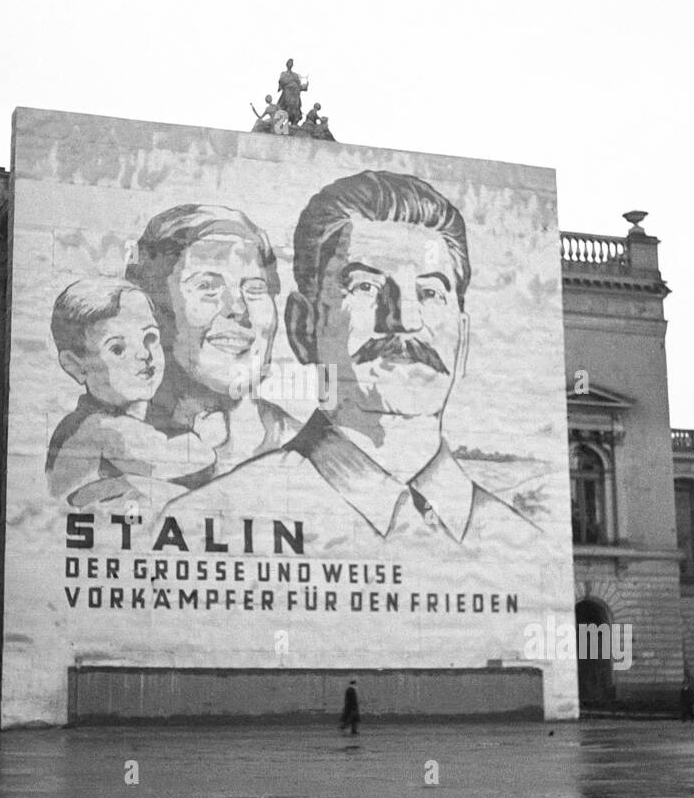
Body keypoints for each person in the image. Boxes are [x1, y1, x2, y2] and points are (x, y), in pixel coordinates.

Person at [164, 171, 539, 548]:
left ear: (464, 339)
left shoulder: (528, 549)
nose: (405, 320)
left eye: (429, 292)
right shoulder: (202, 521)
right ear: (302, 327)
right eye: (366, 287)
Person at [125, 205, 301, 483]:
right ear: (153, 308)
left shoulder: (309, 456)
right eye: (208, 286)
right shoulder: (108, 447)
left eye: (255, 289)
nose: (238, 307)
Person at [45, 278, 225, 510]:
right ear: (76, 365)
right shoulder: (96, 427)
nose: (143, 353)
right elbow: (191, 460)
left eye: (150, 337)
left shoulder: (153, 420)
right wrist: (206, 437)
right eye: (118, 349)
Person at [277, 58, 306, 125]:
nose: (290, 64)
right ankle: (283, 120)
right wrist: (291, 80)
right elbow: (282, 81)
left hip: (295, 92)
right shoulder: (283, 73)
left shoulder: (295, 75)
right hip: (287, 91)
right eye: (289, 63)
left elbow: (299, 84)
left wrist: (304, 86)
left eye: (291, 63)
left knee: (296, 106)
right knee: (287, 104)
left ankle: (294, 121)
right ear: (286, 65)